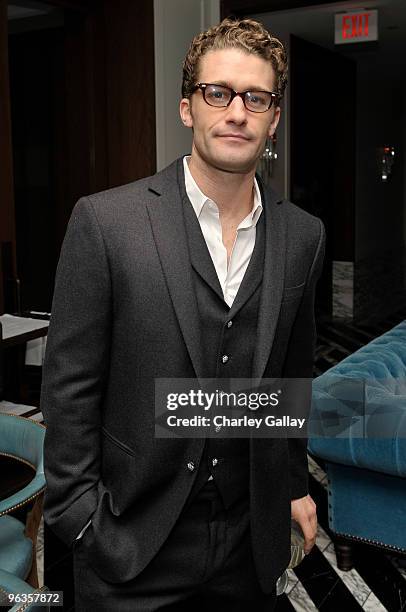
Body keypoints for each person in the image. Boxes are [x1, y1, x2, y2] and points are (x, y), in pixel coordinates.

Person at [41, 17, 325, 612]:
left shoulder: (303, 235)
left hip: (249, 546)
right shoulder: (105, 222)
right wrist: (80, 518)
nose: (237, 111)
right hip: (129, 542)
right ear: (186, 108)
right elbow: (70, 390)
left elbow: (289, 377)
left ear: (274, 117)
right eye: (217, 93)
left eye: (257, 98)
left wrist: (294, 487)